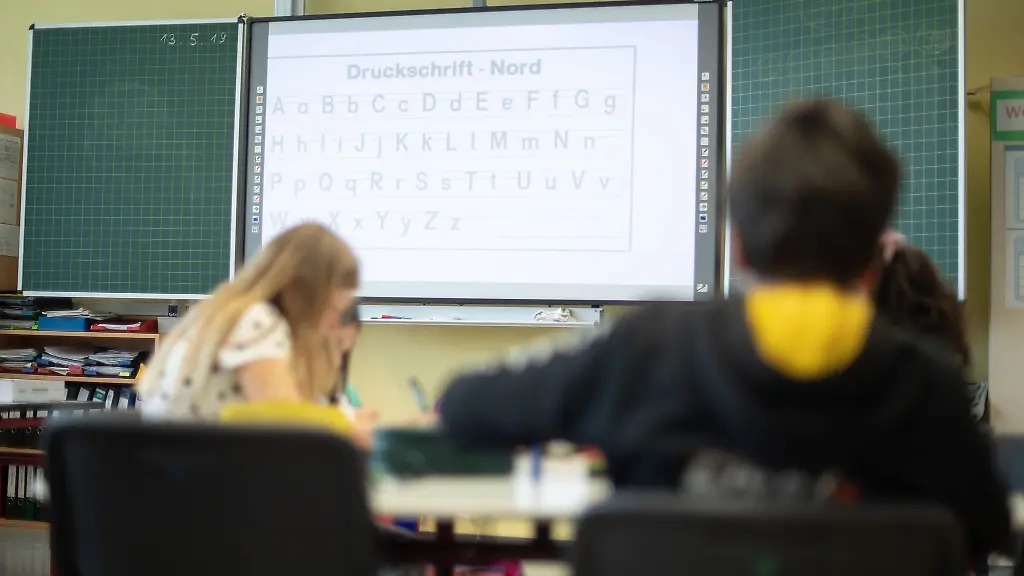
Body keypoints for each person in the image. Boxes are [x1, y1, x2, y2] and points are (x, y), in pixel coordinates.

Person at [438, 100, 1011, 562]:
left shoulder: (645, 349)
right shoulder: (928, 388)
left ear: (734, 245)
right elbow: (984, 535)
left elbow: (463, 405)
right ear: (874, 257)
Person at [137, 223, 359, 420]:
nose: (333, 325)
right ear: (294, 289)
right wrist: (347, 430)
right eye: (330, 309)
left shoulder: (230, 312)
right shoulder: (258, 321)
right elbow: (288, 428)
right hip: (197, 462)